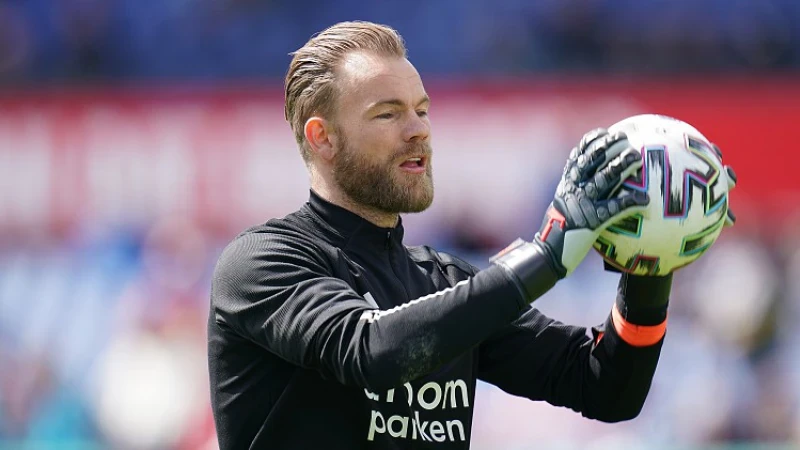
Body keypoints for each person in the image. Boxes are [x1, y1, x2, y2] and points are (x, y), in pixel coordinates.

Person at [207, 21, 737, 450]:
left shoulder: (443, 280)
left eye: (422, 109)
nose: (418, 130)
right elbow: (373, 352)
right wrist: (550, 250)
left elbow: (603, 388)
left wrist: (650, 260)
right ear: (321, 137)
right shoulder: (262, 261)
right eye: (387, 113)